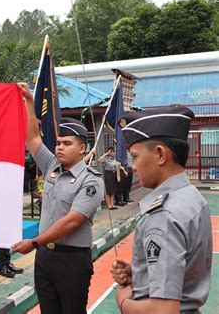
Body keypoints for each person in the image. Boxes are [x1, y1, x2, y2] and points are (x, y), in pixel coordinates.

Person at [12, 83, 104, 313]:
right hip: (45, 258)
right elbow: (33, 138)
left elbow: (72, 221)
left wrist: (34, 243)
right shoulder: (52, 165)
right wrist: (29, 101)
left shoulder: (91, 181)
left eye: (67, 144)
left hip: (72, 260)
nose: (60, 148)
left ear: (82, 148)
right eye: (58, 143)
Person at [110, 106, 212, 314]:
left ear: (160, 154)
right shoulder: (190, 196)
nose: (133, 167)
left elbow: (162, 310)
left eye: (135, 157)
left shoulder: (164, 214)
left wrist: (123, 301)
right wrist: (140, 275)